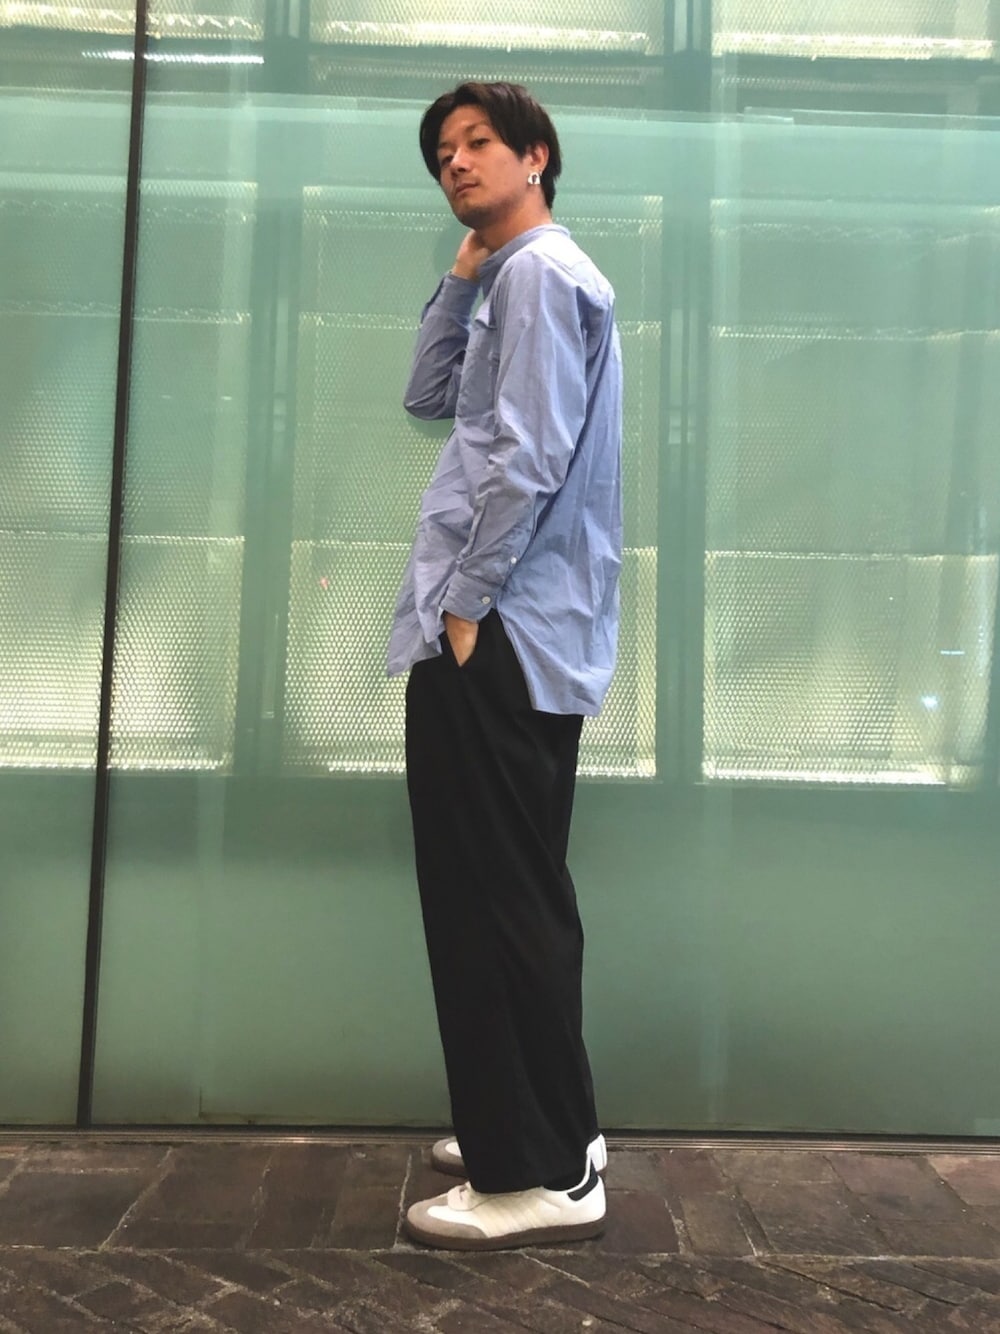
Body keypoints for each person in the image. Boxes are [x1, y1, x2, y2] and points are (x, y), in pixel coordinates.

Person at [387, 81, 623, 1251]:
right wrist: (459, 275)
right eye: (442, 151)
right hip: (529, 630)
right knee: (518, 890)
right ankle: (549, 1129)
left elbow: (525, 456)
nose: (455, 163)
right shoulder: (516, 277)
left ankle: (533, 1170)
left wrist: (466, 603)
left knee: (488, 898)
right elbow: (428, 397)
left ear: (537, 156)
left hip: (498, 629)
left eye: (478, 143)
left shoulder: (538, 277)